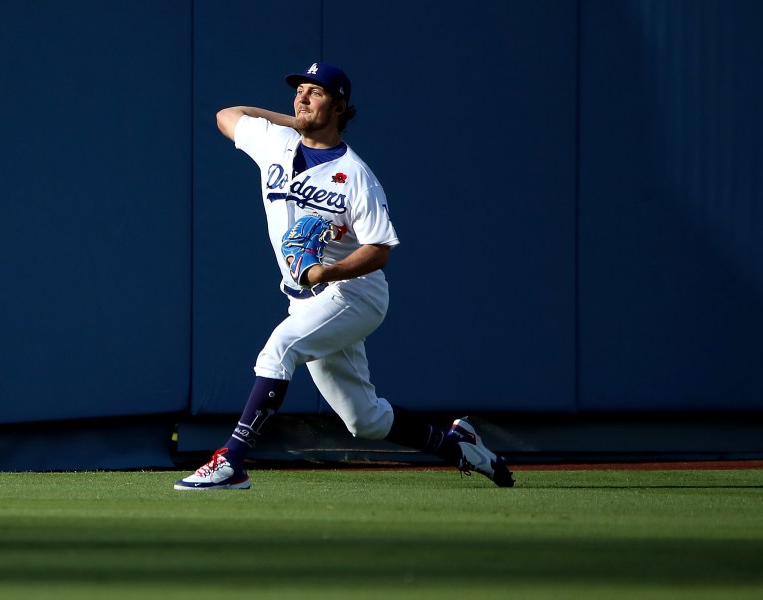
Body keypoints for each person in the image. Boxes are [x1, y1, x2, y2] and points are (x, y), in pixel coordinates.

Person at [174, 62, 514, 490]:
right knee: (363, 419)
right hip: (307, 298)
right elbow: (228, 114)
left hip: (354, 293)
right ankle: (458, 444)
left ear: (339, 106)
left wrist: (327, 269)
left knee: (280, 348)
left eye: (315, 93)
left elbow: (379, 250)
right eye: (299, 90)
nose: (302, 96)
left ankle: (232, 459)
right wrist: (293, 122)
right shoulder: (273, 142)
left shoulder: (356, 176)